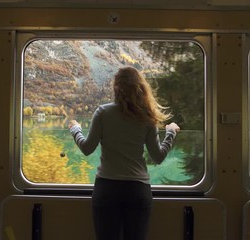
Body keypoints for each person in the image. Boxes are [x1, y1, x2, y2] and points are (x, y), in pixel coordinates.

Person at [68, 66, 181, 240]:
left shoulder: (103, 113)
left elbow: (87, 148)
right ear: (141, 88)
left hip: (107, 189)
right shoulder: (146, 117)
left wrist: (75, 129)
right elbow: (158, 157)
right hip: (137, 190)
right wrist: (171, 133)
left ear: (116, 88)